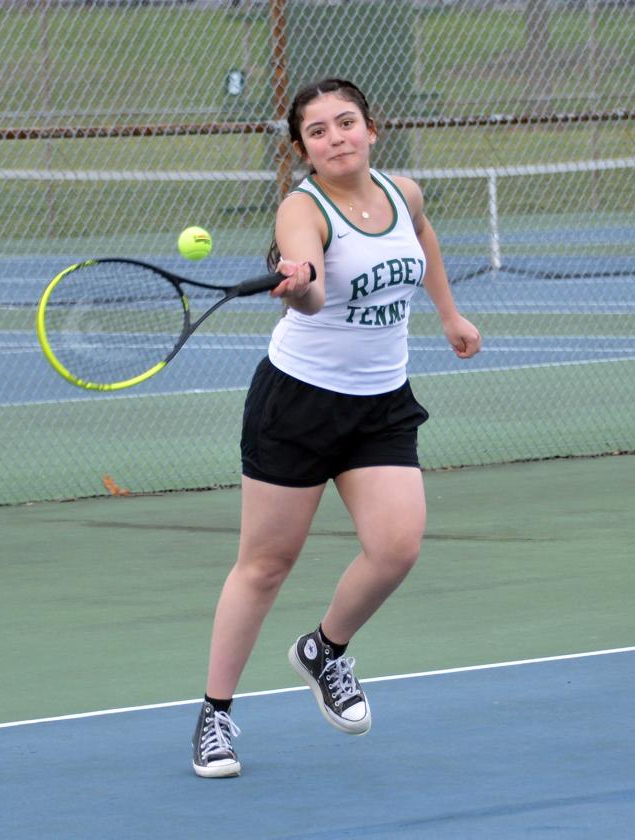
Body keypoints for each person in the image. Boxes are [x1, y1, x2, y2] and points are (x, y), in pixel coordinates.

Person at [191, 78, 482, 778]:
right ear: (302, 151)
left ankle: (324, 650)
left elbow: (424, 238)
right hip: (297, 405)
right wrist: (301, 284)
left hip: (380, 403)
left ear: (371, 128)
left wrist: (448, 314)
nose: (336, 138)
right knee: (265, 566)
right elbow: (314, 285)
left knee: (397, 547)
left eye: (346, 122)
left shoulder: (403, 193)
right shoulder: (302, 209)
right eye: (317, 132)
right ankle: (215, 716)